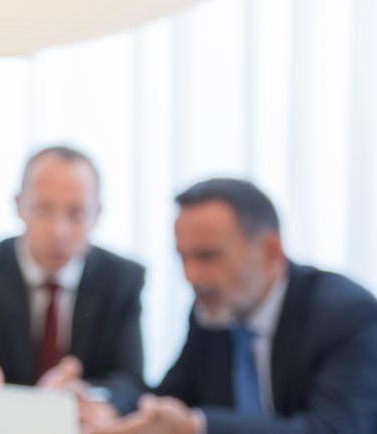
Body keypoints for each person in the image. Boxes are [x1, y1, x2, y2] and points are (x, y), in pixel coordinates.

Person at [90, 178, 377, 434]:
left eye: (207, 257)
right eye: (183, 257)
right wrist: (105, 406)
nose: (191, 276)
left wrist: (199, 426)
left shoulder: (347, 316)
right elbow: (170, 396)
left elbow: (336, 428)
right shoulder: (213, 311)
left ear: (270, 251)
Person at [0, 146, 145, 419]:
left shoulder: (122, 277)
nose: (59, 231)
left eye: (76, 213)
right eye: (44, 209)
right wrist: (36, 402)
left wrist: (87, 397)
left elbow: (129, 379)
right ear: (19, 205)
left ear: (97, 213)